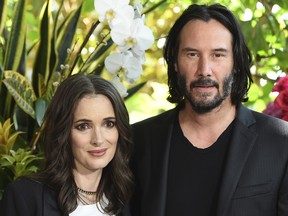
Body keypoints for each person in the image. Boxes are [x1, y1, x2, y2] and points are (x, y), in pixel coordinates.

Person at [129, 3, 288, 216]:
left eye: (218, 55)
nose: (204, 70)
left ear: (236, 63)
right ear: (175, 61)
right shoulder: (136, 141)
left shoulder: (280, 143)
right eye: (192, 54)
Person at [0, 74, 134, 216]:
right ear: (62, 132)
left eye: (109, 124)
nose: (98, 139)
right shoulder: (25, 196)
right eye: (83, 126)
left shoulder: (129, 197)